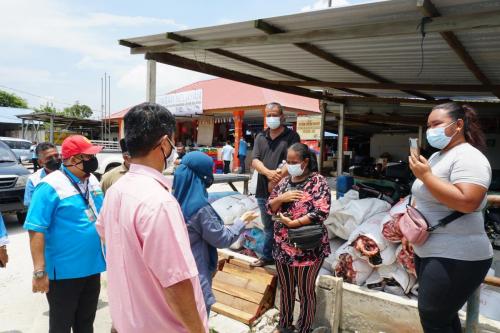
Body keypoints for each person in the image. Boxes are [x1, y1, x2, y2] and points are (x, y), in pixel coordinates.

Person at [96, 102, 207, 333]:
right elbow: (176, 282)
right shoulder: (159, 202)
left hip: (128, 321)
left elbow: (106, 236)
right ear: (165, 143)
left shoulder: (117, 189)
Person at [409, 102, 493, 333]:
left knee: (433, 316)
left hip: (458, 254)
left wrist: (425, 176)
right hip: (430, 249)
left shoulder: (469, 157)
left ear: (458, 125)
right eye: (428, 126)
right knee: (441, 318)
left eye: (436, 124)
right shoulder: (437, 156)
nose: (430, 130)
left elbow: (468, 202)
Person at [24, 135, 106, 333]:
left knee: (85, 324)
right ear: (71, 160)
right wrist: (39, 271)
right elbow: (36, 229)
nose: (92, 161)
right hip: (64, 273)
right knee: (61, 325)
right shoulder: (50, 186)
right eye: (87, 157)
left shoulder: (92, 180)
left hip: (92, 267)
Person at [173, 151, 258, 314]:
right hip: (197, 273)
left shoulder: (173, 200)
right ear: (202, 176)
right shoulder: (200, 208)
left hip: (178, 271)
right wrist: (241, 221)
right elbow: (222, 239)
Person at [267, 143, 331, 333]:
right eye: (288, 161)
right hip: (282, 247)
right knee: (286, 289)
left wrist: (295, 223)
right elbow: (270, 208)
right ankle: (285, 325)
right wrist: (281, 198)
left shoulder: (318, 182)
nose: (290, 165)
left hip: (308, 248)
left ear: (305, 162)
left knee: (306, 291)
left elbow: (321, 211)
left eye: (294, 162)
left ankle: (304, 328)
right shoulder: (285, 183)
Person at [251, 102, 300, 267]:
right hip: (263, 189)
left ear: (282, 117)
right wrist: (267, 173)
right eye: (268, 115)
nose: (271, 118)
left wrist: (278, 176)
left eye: (274, 115)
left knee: (285, 223)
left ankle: (286, 258)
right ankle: (267, 256)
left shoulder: (292, 136)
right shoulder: (260, 137)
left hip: (285, 190)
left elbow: (295, 160)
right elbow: (255, 159)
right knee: (268, 226)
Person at [24, 142, 62, 207]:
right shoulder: (34, 180)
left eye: (56, 155)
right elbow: (31, 205)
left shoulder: (70, 173)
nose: (54, 159)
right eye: (49, 158)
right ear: (40, 162)